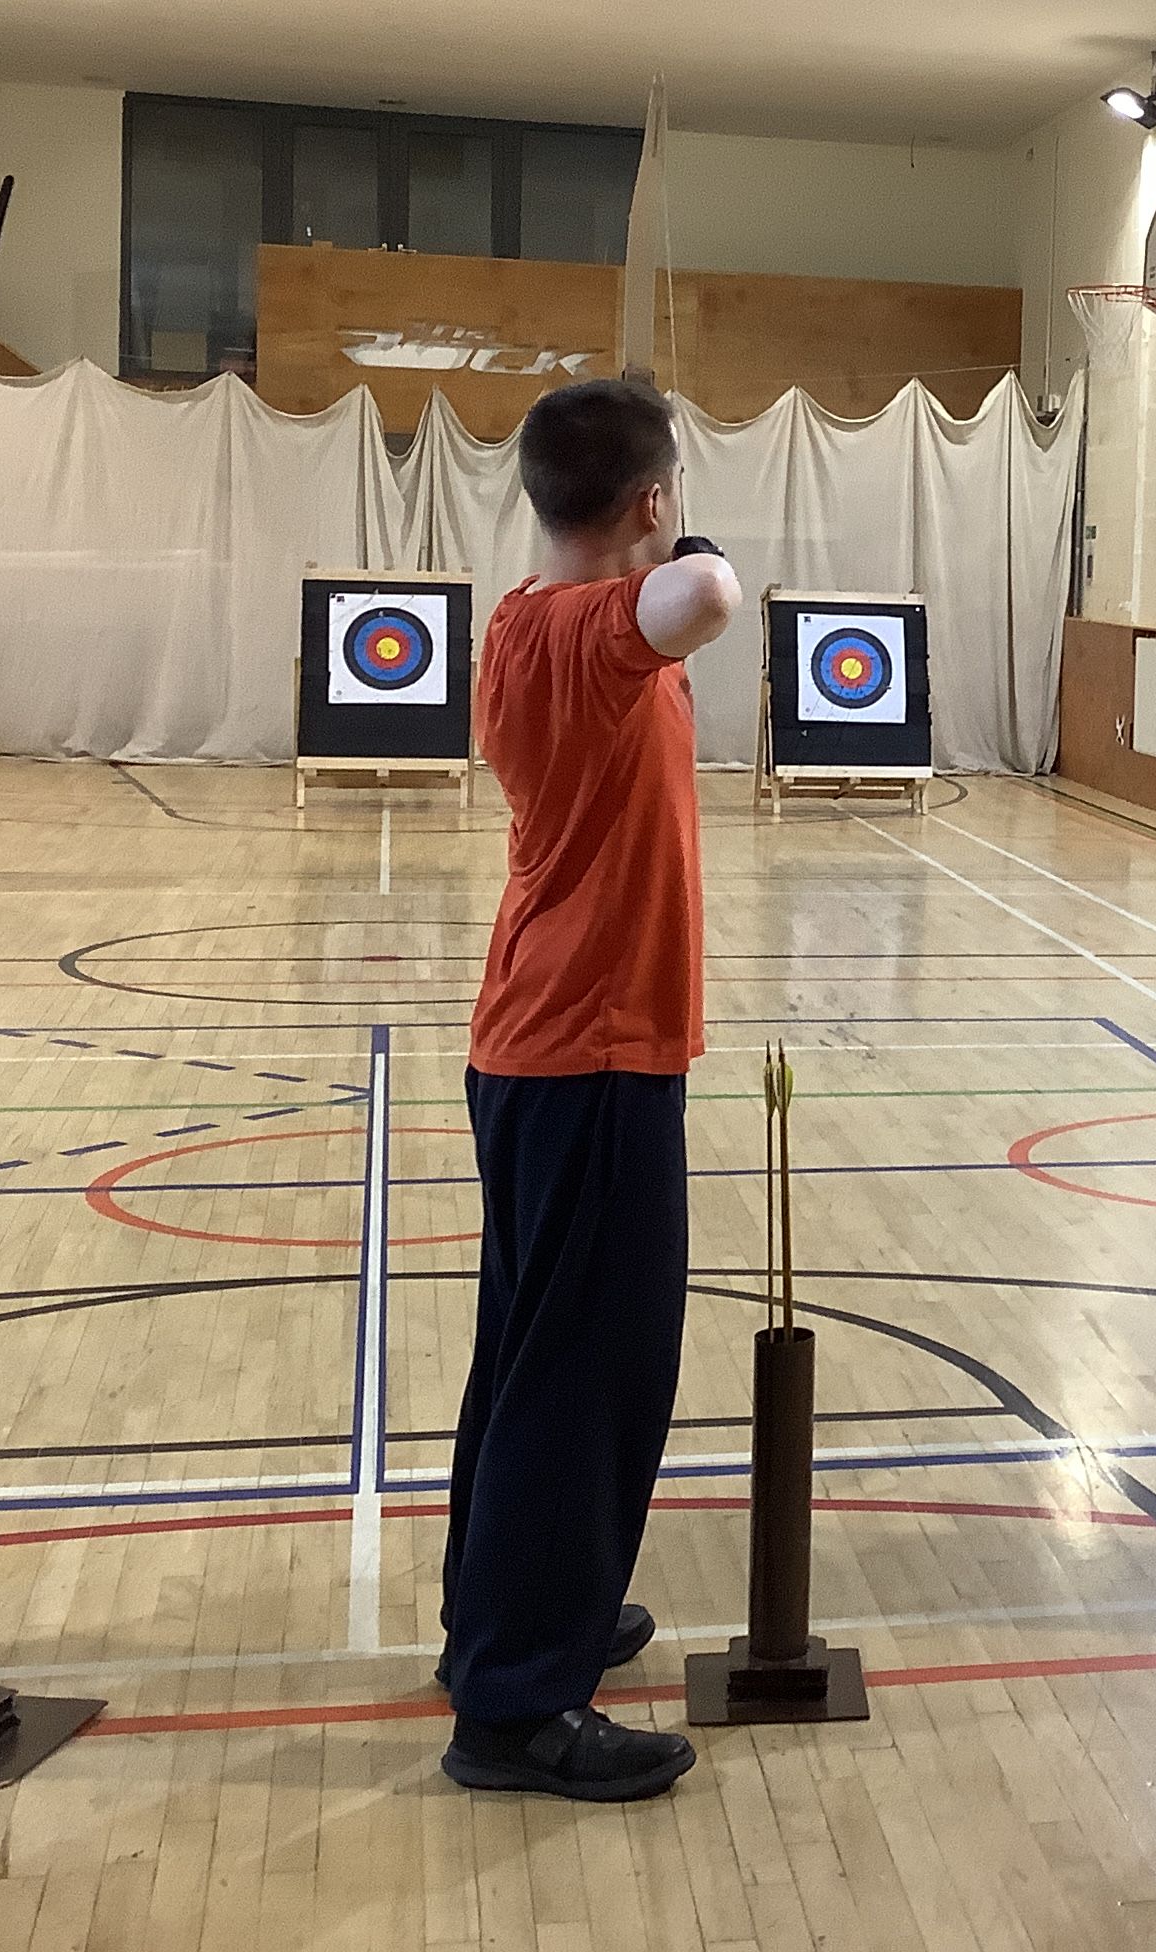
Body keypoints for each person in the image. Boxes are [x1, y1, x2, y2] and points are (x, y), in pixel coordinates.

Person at [436, 376, 737, 1800]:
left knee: (529, 1355)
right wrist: (684, 541)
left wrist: (656, 526)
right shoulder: (575, 629)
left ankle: (505, 1619)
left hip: (554, 1045)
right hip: (589, 1050)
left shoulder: (531, 623)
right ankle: (514, 1705)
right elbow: (711, 602)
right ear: (650, 502)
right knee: (585, 1379)